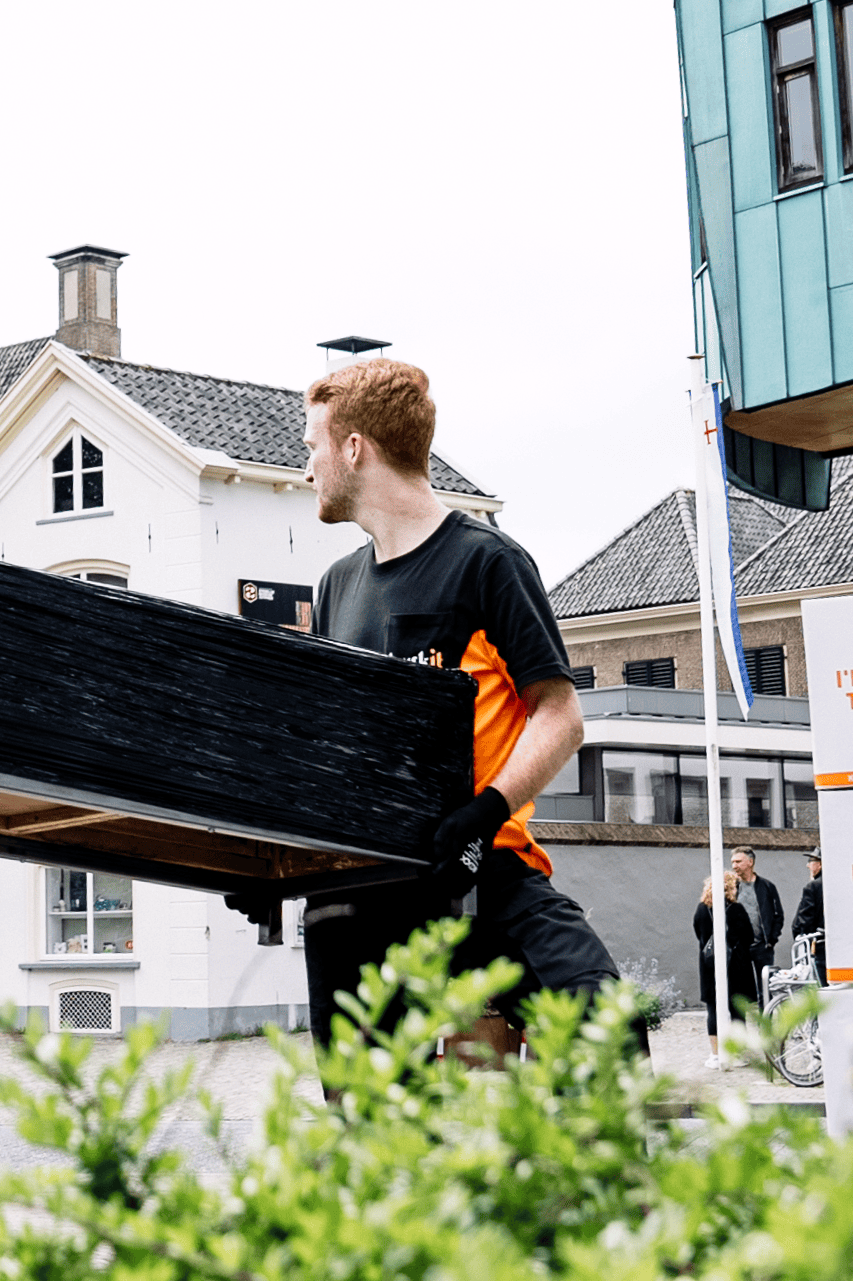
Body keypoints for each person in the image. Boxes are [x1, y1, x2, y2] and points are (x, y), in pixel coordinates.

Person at [278, 359, 619, 1045]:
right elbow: (329, 747)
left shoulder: (487, 563)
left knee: (604, 1025)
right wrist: (267, 857)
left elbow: (560, 716)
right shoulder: (337, 586)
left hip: (481, 862)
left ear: (354, 447)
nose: (306, 468)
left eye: (313, 446)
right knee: (372, 1101)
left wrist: (483, 814)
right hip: (366, 883)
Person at [694, 873, 761, 1067]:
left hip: (709, 966)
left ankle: (715, 1055)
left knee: (713, 1009)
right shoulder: (736, 909)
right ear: (731, 888)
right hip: (736, 966)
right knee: (737, 1010)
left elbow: (699, 933)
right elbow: (749, 936)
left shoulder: (701, 909)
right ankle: (738, 1055)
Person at [732, 847, 784, 970]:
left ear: (750, 862)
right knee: (742, 981)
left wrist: (771, 940)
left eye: (738, 862)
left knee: (764, 980)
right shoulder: (732, 887)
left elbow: (778, 915)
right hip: (739, 947)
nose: (734, 866)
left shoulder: (767, 886)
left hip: (762, 946)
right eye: (733, 862)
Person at [790, 849, 825, 982]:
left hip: (819, 945)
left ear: (820, 864)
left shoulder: (813, 886)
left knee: (821, 985)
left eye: (811, 861)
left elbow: (805, 919)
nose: (808, 865)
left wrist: (799, 935)